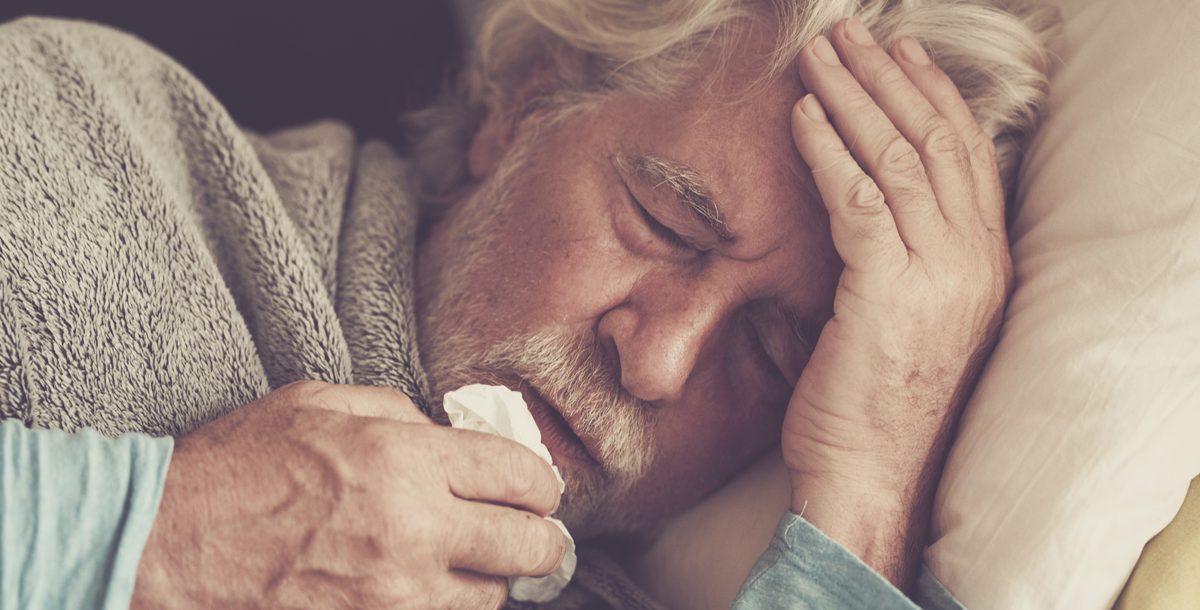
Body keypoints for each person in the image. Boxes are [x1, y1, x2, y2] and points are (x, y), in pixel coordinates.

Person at [0, 0, 1052, 608]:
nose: (661, 364)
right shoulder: (74, 146)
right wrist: (164, 534)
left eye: (769, 355)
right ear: (526, 111)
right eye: (667, 224)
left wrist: (868, 499)